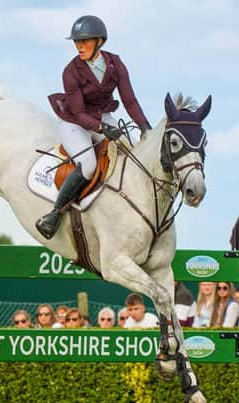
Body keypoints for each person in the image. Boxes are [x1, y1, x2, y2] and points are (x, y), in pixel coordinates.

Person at [36, 15, 152, 239]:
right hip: (74, 122)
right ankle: (54, 214)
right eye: (76, 42)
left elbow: (130, 101)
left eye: (84, 41)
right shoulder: (70, 71)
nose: (79, 46)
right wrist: (102, 128)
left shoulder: (115, 64)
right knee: (88, 165)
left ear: (99, 41)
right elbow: (79, 113)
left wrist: (145, 127)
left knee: (130, 151)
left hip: (102, 117)